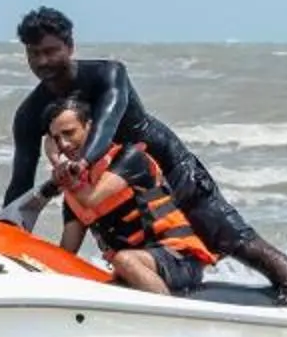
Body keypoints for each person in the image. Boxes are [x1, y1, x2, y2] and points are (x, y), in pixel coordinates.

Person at [0, 6, 287, 305]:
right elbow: (20, 183)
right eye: (34, 53)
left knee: (238, 242)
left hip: (171, 171)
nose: (43, 61)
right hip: (119, 189)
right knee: (133, 263)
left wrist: (80, 163)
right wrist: (4, 236)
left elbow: (106, 125)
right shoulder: (30, 114)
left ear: (70, 47)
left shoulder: (108, 74)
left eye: (51, 51)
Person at [42, 100, 213, 296]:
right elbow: (66, 252)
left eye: (69, 133)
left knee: (123, 260)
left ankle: (171, 312)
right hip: (135, 267)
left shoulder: (129, 158)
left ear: (91, 127)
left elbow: (92, 198)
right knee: (97, 292)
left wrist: (56, 163)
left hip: (179, 258)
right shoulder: (75, 195)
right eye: (56, 139)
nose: (63, 144)